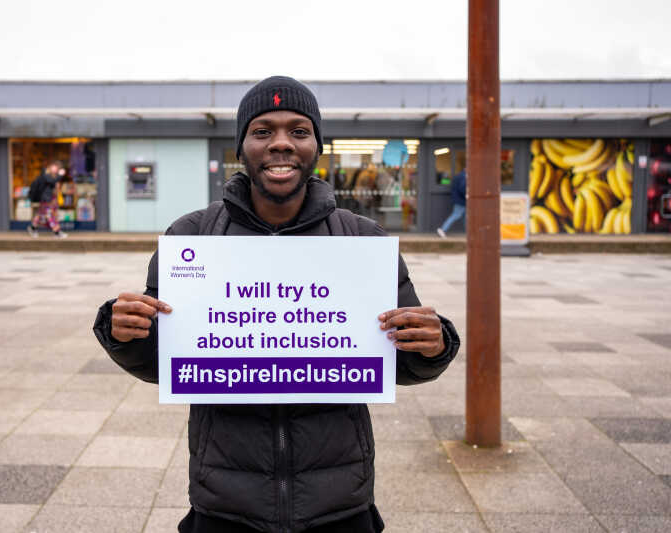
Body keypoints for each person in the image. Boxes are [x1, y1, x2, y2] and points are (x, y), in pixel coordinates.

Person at [93, 76, 460, 533]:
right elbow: (165, 360)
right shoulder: (194, 235)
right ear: (242, 146)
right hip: (225, 505)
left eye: (299, 131)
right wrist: (123, 331)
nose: (281, 144)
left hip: (339, 505)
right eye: (263, 131)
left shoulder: (361, 240)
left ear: (317, 146)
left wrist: (433, 344)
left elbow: (401, 363)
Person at [26, 161, 67, 238]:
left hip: (51, 199)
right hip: (46, 199)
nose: (56, 169)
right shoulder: (45, 175)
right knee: (50, 214)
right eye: (54, 167)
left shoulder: (54, 176)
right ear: (50, 167)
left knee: (40, 215)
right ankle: (57, 232)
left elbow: (55, 187)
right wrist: (60, 175)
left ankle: (32, 228)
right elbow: (51, 181)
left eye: (57, 168)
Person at [437, 168, 466, 238]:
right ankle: (443, 229)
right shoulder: (463, 176)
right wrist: (466, 194)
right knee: (456, 215)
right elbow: (462, 188)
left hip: (459, 200)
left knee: (465, 217)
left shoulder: (459, 176)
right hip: (461, 200)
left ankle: (469, 232)